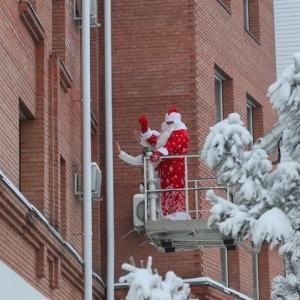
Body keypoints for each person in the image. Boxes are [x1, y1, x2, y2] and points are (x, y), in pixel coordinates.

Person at [138, 107, 190, 220]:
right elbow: (154, 140)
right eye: (167, 122)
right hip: (165, 170)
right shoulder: (167, 134)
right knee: (165, 192)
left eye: (171, 122)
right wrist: (144, 126)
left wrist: (158, 154)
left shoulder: (181, 133)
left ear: (176, 122)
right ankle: (165, 216)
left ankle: (177, 217)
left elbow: (171, 146)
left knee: (174, 191)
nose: (169, 124)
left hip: (176, 168)